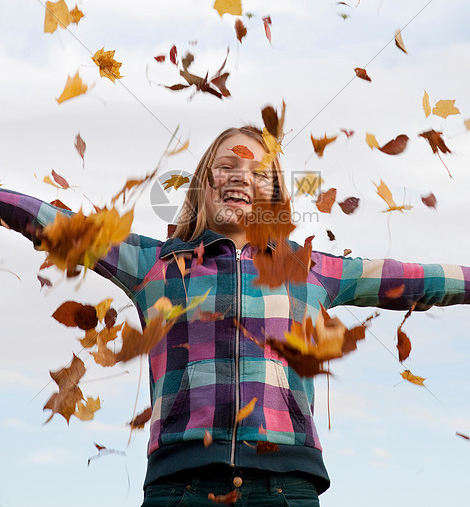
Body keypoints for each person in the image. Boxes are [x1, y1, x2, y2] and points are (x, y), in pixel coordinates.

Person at [1, 125, 470, 507]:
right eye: (226, 166)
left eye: (258, 173)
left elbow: (407, 278)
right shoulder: (153, 265)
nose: (241, 176)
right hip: (180, 485)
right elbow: (58, 225)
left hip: (286, 485)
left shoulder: (309, 270)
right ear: (203, 189)